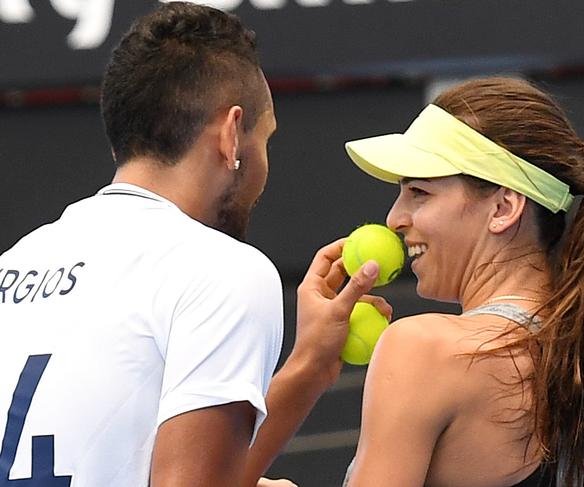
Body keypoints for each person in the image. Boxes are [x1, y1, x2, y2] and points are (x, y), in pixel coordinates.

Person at [0, 2, 388, 486]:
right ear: (231, 135)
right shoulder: (225, 271)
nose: (265, 166)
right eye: (265, 138)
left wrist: (310, 365)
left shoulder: (14, 262)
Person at [340, 77, 584, 487]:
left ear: (503, 208)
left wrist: (307, 365)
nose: (395, 218)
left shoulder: (421, 350)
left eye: (419, 191)